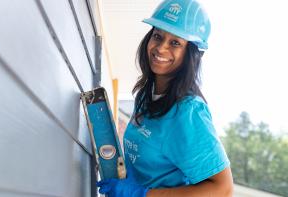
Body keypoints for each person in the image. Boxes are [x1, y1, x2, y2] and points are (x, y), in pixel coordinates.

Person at [97, 0, 233, 196]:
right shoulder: (146, 94)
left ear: (191, 54)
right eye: (157, 36)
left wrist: (143, 194)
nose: (161, 48)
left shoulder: (188, 112)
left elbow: (223, 189)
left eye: (175, 42)